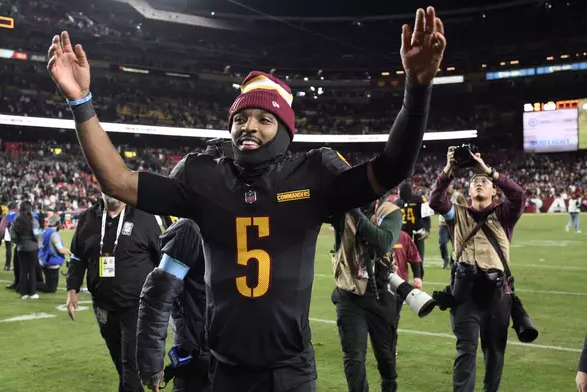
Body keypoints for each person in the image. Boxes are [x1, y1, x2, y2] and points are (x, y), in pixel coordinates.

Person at [47, 7, 446, 390]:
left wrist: (418, 89)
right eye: (239, 118)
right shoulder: (203, 177)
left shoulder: (314, 173)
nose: (248, 127)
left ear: (285, 130)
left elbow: (392, 167)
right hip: (226, 368)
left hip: (291, 369)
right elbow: (116, 180)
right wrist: (81, 103)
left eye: (263, 119)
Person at [429, 147, 526, 392]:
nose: (480, 184)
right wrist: (448, 170)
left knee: (494, 355)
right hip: (465, 296)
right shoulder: (456, 214)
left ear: (494, 190)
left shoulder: (504, 214)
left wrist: (488, 171)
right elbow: (435, 201)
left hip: (498, 295)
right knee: (466, 352)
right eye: (475, 182)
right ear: (468, 191)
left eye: (484, 182)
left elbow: (518, 196)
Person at [65, 193, 162, 392]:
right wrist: (71, 289)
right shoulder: (88, 218)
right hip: (102, 306)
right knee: (122, 365)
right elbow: (77, 257)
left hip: (136, 306)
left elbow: (161, 257)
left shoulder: (143, 217)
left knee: (130, 368)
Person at [329, 199, 402, 392]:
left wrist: (356, 214)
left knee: (386, 356)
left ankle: (389, 386)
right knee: (353, 357)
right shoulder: (340, 210)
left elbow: (384, 242)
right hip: (349, 293)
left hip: (380, 294)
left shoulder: (390, 211)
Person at [138, 218, 212, 392]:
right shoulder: (191, 230)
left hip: (244, 361)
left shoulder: (255, 223)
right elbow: (157, 298)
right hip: (200, 361)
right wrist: (151, 364)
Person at [391, 229, 423, 343]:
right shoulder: (374, 234)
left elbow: (414, 257)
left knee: (393, 319)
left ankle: (391, 348)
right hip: (378, 285)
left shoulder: (403, 236)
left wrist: (418, 276)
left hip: (398, 285)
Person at [10, 201, 43, 300]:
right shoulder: (33, 220)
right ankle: (32, 292)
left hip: (21, 248)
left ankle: (23, 293)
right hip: (33, 248)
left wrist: (17, 241)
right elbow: (37, 234)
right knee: (32, 270)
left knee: (23, 270)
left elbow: (12, 232)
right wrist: (38, 243)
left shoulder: (16, 219)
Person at [395, 182, 431, 262]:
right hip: (407, 233)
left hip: (415, 232)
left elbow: (427, 216)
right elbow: (427, 216)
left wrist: (426, 229)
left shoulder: (418, 200)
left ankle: (418, 273)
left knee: (417, 259)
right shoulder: (399, 202)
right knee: (405, 258)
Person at [37, 214, 70, 293]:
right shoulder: (54, 234)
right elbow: (60, 250)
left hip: (43, 260)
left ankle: (31, 284)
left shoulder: (43, 231)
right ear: (58, 223)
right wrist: (70, 252)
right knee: (51, 289)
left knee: (50, 285)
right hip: (51, 263)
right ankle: (30, 284)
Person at [439, 183, 467, 268]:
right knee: (442, 243)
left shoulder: (458, 196)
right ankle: (445, 259)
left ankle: (452, 261)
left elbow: (465, 207)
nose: (448, 187)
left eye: (449, 185)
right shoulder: (441, 195)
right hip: (443, 224)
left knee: (455, 244)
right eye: (447, 185)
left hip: (455, 223)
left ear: (452, 185)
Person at [0, 201, 19, 272]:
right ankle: (17, 266)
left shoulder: (7, 215)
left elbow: (1, 228)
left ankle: (7, 265)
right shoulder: (20, 214)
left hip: (9, 232)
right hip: (19, 233)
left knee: (9, 249)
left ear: (9, 208)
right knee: (18, 249)